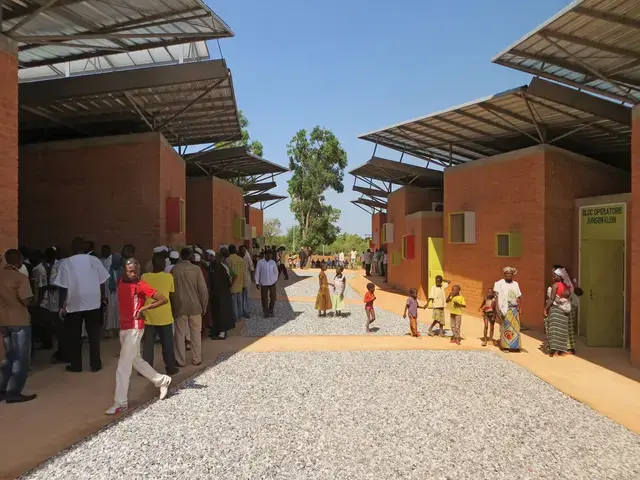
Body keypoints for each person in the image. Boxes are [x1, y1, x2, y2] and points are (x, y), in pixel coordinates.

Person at [106, 258, 172, 415]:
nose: (133, 273)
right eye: (130, 270)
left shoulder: (141, 285)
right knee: (136, 360)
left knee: (123, 366)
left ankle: (120, 402)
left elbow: (163, 299)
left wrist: (145, 308)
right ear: (124, 270)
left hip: (135, 328)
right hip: (124, 327)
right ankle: (162, 380)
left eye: (135, 270)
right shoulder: (120, 280)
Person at [54, 237, 110, 373]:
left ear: (72, 248)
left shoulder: (67, 263)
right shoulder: (94, 260)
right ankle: (95, 364)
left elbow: (63, 287)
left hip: (74, 303)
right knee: (94, 336)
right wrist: (103, 296)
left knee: (74, 336)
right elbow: (102, 280)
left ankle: (76, 365)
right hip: (93, 302)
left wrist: (62, 305)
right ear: (84, 248)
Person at [0, 249, 37, 403]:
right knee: (20, 359)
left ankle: (1, 389)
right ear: (19, 260)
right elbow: (27, 300)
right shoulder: (20, 278)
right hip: (20, 322)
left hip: (3, 321)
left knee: (8, 357)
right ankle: (14, 392)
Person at [141, 254, 178, 375]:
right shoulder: (168, 277)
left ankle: (146, 370)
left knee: (148, 345)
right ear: (164, 265)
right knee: (167, 344)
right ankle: (171, 368)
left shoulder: (144, 277)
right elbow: (172, 295)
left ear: (152, 265)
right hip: (165, 316)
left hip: (149, 316)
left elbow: (141, 295)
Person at [171, 248, 208, 367]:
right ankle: (197, 358)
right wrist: (204, 305)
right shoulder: (196, 269)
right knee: (196, 333)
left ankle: (180, 360)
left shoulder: (174, 269)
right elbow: (203, 290)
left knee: (180, 334)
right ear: (191, 257)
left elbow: (171, 290)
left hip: (180, 305)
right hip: (195, 305)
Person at [544, 267, 573, 357]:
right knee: (562, 331)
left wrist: (545, 308)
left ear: (560, 277)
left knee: (554, 330)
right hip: (564, 312)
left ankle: (554, 351)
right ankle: (561, 351)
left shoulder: (555, 285)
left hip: (556, 311)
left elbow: (552, 299)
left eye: (555, 276)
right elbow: (568, 298)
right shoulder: (567, 287)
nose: (553, 277)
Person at [493, 267, 522, 352]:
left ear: (512, 275)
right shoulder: (499, 283)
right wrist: (497, 309)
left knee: (515, 328)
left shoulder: (515, 284)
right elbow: (496, 297)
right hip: (504, 308)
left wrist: (520, 308)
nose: (509, 275)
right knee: (505, 326)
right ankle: (505, 346)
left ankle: (515, 346)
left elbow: (518, 297)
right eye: (507, 274)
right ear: (504, 275)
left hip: (514, 309)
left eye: (510, 274)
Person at [209, 252, 235, 340]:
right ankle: (218, 331)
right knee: (219, 313)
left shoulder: (218, 267)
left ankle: (222, 332)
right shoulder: (221, 266)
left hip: (220, 293)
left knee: (221, 313)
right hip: (222, 293)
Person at [255, 249, 278, 317]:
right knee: (264, 298)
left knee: (273, 297)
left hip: (272, 283)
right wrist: (257, 282)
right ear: (266, 254)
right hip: (263, 283)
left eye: (271, 254)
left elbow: (276, 272)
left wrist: (275, 280)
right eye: (269, 254)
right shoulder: (260, 262)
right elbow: (257, 272)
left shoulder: (273, 262)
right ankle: (266, 312)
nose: (271, 255)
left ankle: (271, 310)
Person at [226, 245, 245, 324]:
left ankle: (235, 318)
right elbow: (243, 271)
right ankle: (240, 317)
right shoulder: (241, 259)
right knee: (239, 301)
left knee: (233, 302)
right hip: (240, 282)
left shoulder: (228, 260)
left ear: (229, 251)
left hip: (232, 283)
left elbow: (227, 272)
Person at [240, 245, 254, 319]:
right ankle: (244, 310)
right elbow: (251, 268)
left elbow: (251, 268)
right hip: (242, 280)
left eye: (244, 250)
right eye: (242, 250)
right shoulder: (243, 257)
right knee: (244, 296)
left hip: (245, 280)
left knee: (246, 296)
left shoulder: (246, 257)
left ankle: (247, 310)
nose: (243, 251)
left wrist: (252, 278)